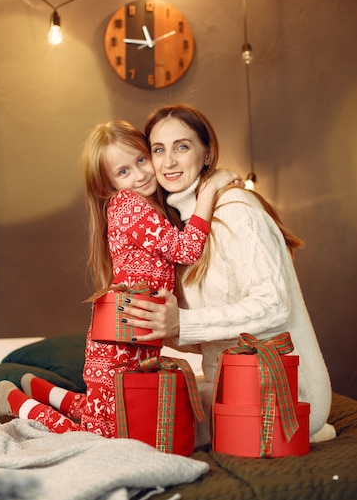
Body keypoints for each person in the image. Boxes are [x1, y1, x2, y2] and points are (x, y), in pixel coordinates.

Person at [0, 119, 239, 437]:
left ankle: (42, 390)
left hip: (132, 337)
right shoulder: (128, 206)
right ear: (108, 184)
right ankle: (13, 399)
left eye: (141, 160)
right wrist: (211, 189)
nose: (140, 174)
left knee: (110, 414)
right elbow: (186, 250)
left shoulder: (148, 207)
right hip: (119, 344)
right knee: (99, 438)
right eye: (124, 171)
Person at [120, 104, 335, 444]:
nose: (168, 162)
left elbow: (273, 305)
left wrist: (182, 324)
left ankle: (30, 402)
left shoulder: (236, 211)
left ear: (207, 154)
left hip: (287, 392)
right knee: (137, 405)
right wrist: (156, 325)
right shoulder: (185, 233)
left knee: (140, 426)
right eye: (158, 150)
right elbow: (216, 332)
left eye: (182, 146)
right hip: (235, 384)